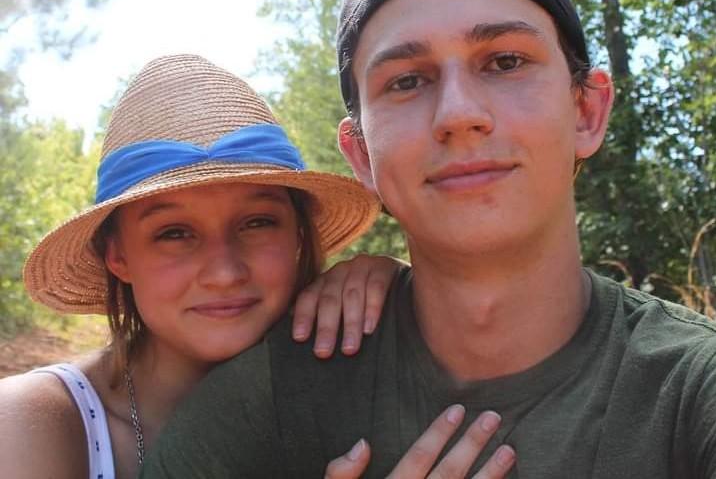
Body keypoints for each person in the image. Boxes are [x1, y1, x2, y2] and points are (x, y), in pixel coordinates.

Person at [141, 0, 716, 479]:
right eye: (407, 81)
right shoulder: (266, 403)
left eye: (506, 62)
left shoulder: (693, 391)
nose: (458, 114)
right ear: (361, 154)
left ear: (586, 110)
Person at [0, 53, 463, 479]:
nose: (224, 272)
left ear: (299, 235)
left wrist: (404, 288)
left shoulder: (356, 375)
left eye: (257, 223)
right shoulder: (34, 425)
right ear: (117, 256)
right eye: (174, 233)